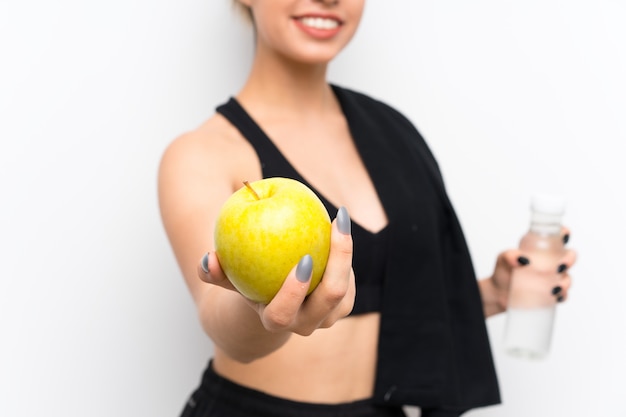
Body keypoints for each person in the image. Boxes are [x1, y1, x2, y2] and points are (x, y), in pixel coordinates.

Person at [157, 1, 577, 416]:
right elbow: (221, 323)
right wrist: (265, 315)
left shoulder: (393, 131)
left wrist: (488, 296)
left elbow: (396, 304)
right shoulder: (201, 154)